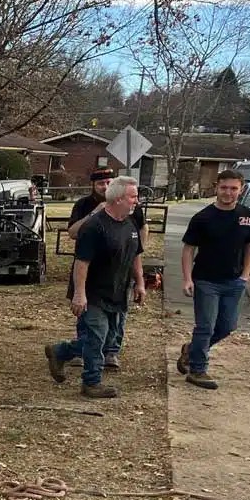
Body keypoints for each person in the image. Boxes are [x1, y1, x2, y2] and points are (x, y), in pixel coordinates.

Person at [45, 178, 147, 399]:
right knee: (97, 336)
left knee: (108, 339)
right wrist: (79, 294)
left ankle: (60, 351)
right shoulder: (94, 226)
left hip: (117, 290)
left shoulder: (130, 224)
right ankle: (91, 382)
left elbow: (136, 256)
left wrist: (140, 283)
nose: (136, 201)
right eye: (133, 197)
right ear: (118, 199)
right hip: (93, 292)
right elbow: (81, 263)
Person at [175, 169, 250, 390]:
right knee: (205, 326)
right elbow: (188, 249)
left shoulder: (247, 216)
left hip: (234, 282)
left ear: (241, 190)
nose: (228, 192)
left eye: (233, 188)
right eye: (224, 188)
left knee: (226, 326)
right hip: (206, 280)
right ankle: (198, 370)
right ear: (216, 187)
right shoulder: (203, 218)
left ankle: (191, 350)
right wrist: (187, 279)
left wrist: (245, 274)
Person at [66, 168, 148, 368]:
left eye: (108, 182)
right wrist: (96, 212)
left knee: (117, 318)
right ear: (93, 186)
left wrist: (139, 274)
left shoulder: (131, 208)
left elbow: (141, 231)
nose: (105, 187)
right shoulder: (85, 205)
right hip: (94, 273)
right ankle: (82, 358)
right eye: (100, 183)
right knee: (92, 321)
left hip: (120, 272)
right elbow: (73, 232)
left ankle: (111, 351)